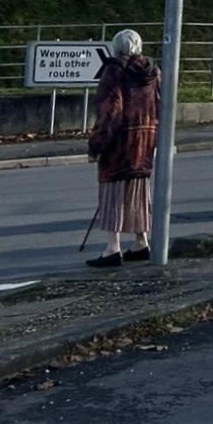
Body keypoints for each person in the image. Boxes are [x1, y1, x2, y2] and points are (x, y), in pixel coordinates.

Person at [85, 29, 160, 268]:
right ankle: (141, 241)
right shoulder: (153, 72)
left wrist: (96, 144)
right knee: (138, 192)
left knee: (113, 194)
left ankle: (112, 248)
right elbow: (160, 105)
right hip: (145, 140)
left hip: (119, 144)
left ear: (116, 48)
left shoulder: (114, 70)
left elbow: (111, 112)